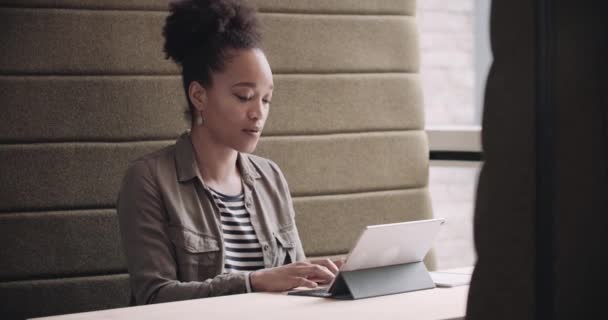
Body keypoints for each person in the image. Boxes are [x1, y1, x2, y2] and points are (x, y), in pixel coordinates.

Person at [117, 0, 340, 305]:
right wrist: (252, 282)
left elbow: (294, 280)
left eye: (266, 100)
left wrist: (322, 278)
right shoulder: (149, 179)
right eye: (244, 96)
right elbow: (154, 297)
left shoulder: (270, 176)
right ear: (199, 95)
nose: (258, 114)